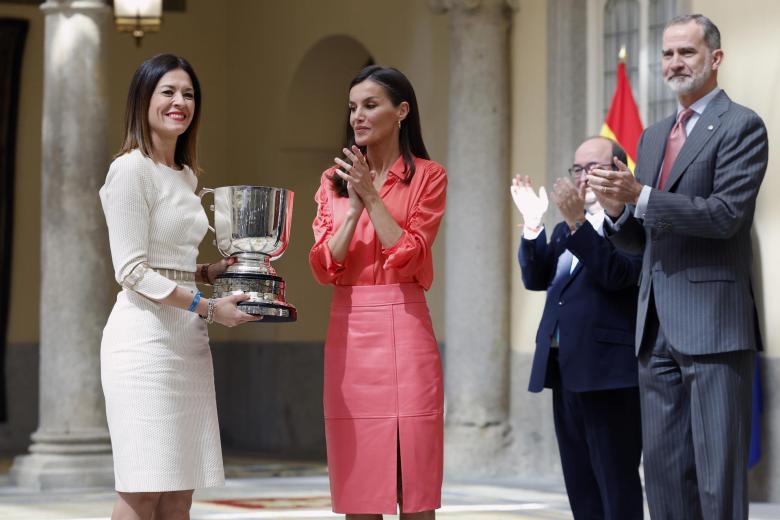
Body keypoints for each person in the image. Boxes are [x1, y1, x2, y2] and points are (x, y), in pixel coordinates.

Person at [587, 14, 768, 520]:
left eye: (686, 53)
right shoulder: (652, 136)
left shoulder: (741, 125)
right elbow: (639, 239)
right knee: (664, 476)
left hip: (713, 323)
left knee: (717, 479)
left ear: (715, 59)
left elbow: (726, 216)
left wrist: (640, 195)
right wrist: (620, 211)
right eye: (667, 54)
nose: (675, 63)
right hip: (654, 326)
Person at [99, 54, 259, 520]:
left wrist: (209, 272)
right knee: (142, 489)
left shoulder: (186, 176)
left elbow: (171, 262)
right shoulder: (130, 169)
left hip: (187, 342)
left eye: (188, 94)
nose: (179, 102)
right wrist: (208, 307)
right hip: (143, 344)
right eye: (167, 91)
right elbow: (132, 270)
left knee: (178, 495)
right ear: (142, 100)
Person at [309, 65, 446, 519]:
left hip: (406, 327)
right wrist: (351, 210)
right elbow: (325, 266)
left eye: (370, 105)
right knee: (359, 490)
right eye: (352, 108)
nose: (357, 117)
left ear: (401, 111)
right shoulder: (332, 181)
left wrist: (370, 196)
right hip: (349, 332)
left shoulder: (428, 176)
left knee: (416, 488)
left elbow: (409, 253)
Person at [512, 137, 644, 519]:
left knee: (615, 483)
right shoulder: (567, 229)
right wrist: (534, 226)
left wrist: (576, 222)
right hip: (565, 368)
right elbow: (537, 278)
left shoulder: (631, 225)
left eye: (593, 168)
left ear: (620, 170)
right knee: (580, 483)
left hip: (610, 374)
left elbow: (616, 275)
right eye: (578, 169)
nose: (583, 178)